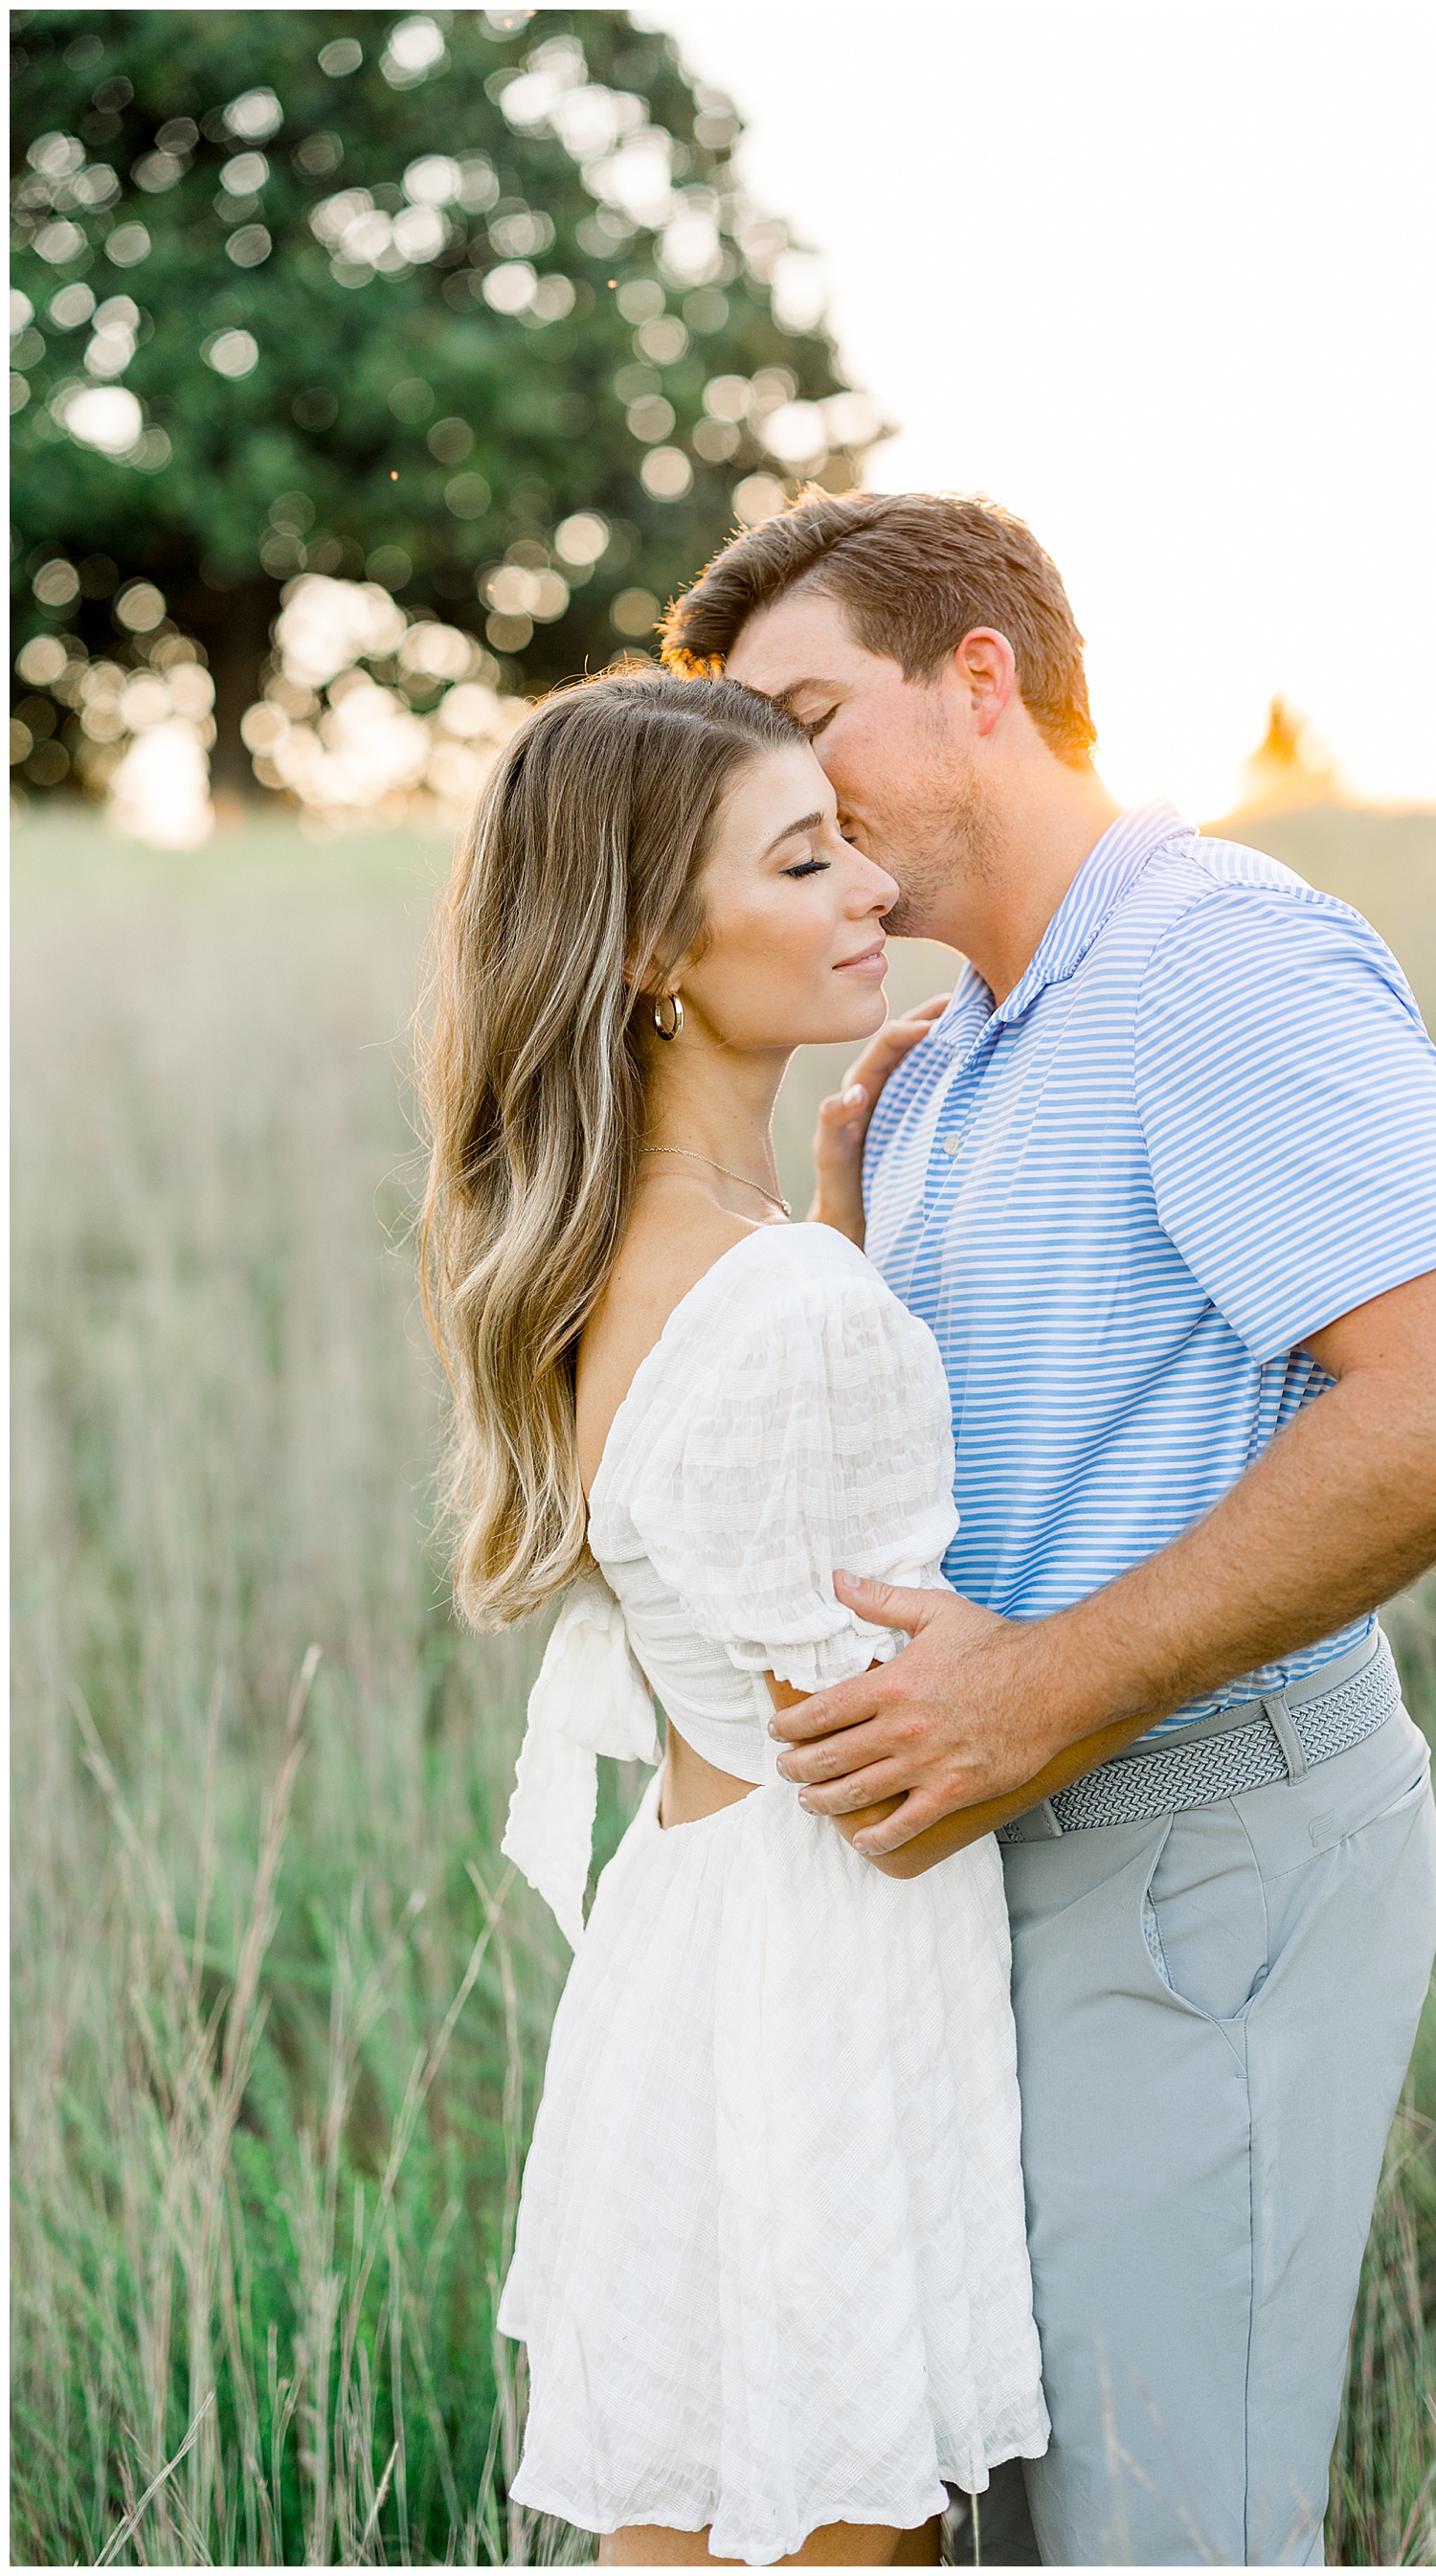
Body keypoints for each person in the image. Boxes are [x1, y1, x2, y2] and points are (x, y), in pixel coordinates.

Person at [662, 490, 1436, 2566]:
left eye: (812, 712)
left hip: (1199, 1866)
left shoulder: (1207, 964)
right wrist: (849, 1249)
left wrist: (1042, 1686)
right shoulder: (963, 1037)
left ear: (985, 680)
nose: (784, 786)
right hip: (1017, 1863)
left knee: (1171, 2530)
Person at [417, 667, 1048, 2568]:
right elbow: (887, 1743)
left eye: (848, 840)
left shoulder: (622, 1264)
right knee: (842, 2515)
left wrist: (836, 1230)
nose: (867, 889)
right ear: (652, 955)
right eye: (802, 858)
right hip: (823, 1974)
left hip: (686, 1942)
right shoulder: (788, 1303)